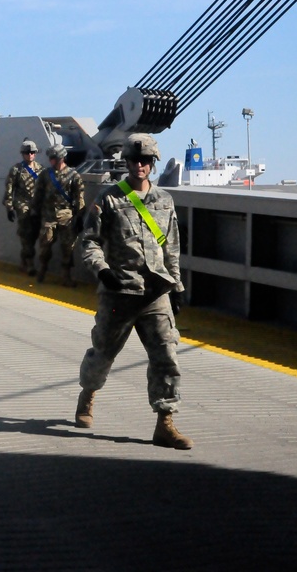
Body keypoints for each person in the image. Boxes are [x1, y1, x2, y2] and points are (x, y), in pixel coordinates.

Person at [73, 133, 192, 449]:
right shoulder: (109, 199)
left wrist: (176, 286)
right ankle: (88, 394)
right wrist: (103, 271)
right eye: (134, 160)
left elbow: (171, 247)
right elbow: (89, 241)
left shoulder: (165, 201)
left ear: (152, 164)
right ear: (126, 163)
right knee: (103, 354)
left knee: (166, 356)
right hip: (119, 294)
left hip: (155, 294)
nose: (140, 165)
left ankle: (165, 423)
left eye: (145, 160)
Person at [31, 142, 84, 287]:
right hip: (48, 215)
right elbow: (38, 194)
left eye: (53, 157)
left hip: (67, 216)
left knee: (68, 248)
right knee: (45, 245)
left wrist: (79, 216)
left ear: (61, 158)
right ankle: (42, 269)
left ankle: (66, 276)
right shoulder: (45, 174)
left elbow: (79, 197)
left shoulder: (74, 175)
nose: (51, 160)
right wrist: (34, 211)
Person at [2, 140, 44, 274]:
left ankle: (23, 261)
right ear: (22, 154)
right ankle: (30, 264)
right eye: (27, 152)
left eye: (32, 152)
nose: (30, 155)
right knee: (26, 233)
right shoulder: (16, 170)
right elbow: (9, 189)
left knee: (34, 234)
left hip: (37, 205)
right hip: (23, 204)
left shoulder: (41, 169)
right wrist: (9, 207)